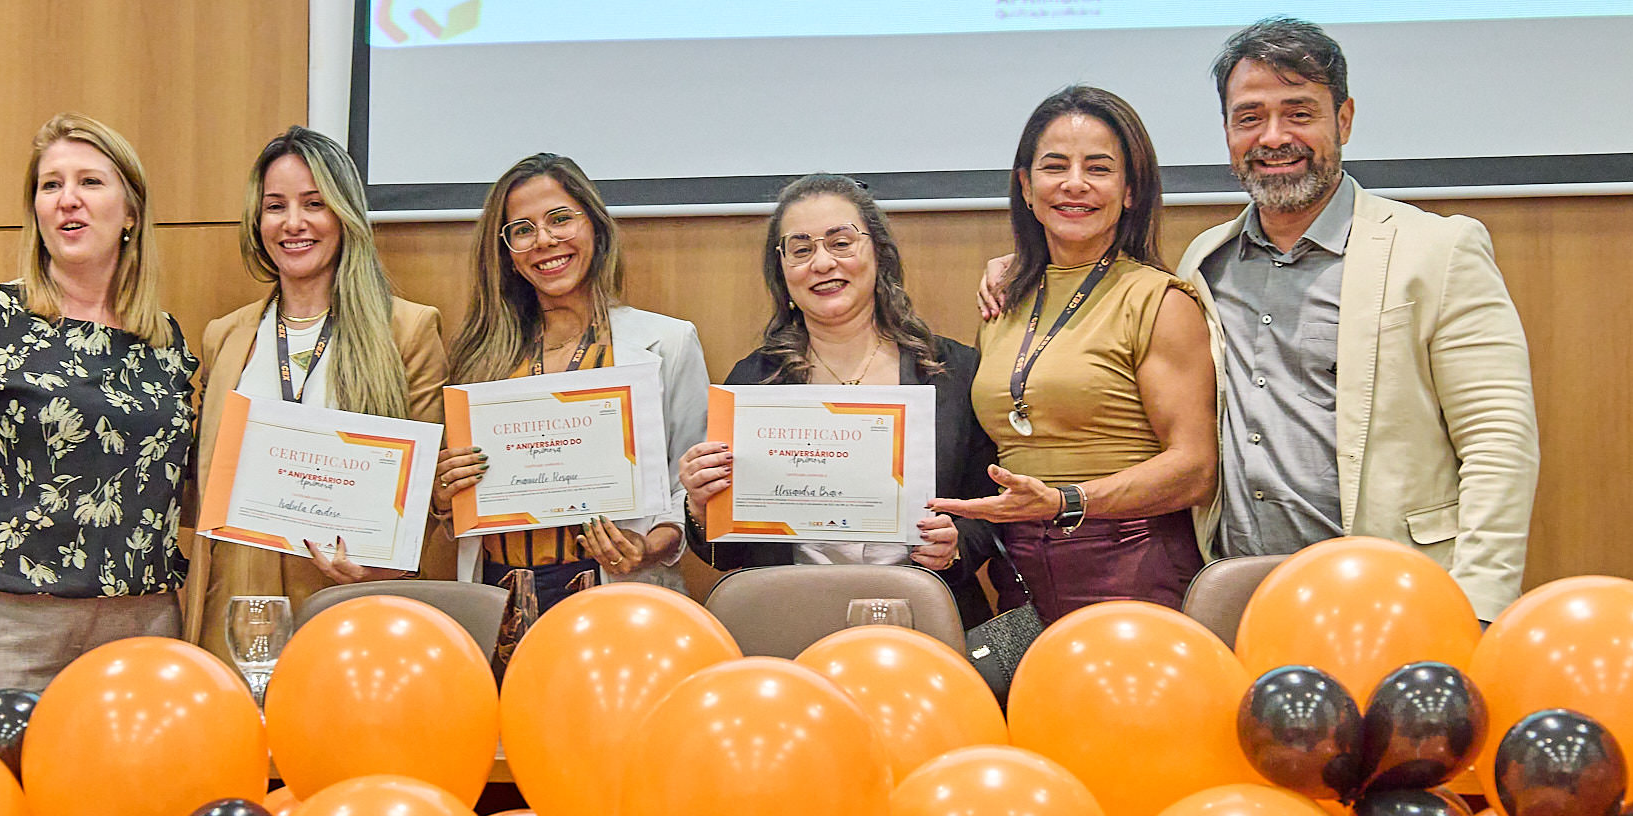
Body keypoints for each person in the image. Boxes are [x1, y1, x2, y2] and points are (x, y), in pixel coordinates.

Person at [1176, 17, 1537, 622]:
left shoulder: (1437, 250)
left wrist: (1478, 606)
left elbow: (1498, 439)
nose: (1274, 137)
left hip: (1402, 596)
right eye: (1250, 117)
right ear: (1228, 132)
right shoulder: (1205, 262)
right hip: (1246, 599)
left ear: (1343, 120)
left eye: (1299, 113)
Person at [0, 113, 198, 725]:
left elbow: (177, 485)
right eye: (50, 185)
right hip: (1, 629)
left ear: (131, 212)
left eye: (90, 182)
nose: (67, 199)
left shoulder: (164, 342)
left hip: (141, 631)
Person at [940, 86, 1219, 626]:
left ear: (1130, 191)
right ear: (1026, 186)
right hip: (1019, 567)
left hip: (1131, 563)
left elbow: (1195, 469)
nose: (1074, 184)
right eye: (1054, 166)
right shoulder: (1003, 297)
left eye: (1098, 168)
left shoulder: (1159, 300)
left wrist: (1066, 501)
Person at [675, 174, 997, 626]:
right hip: (791, 621)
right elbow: (730, 554)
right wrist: (700, 504)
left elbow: (993, 509)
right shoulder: (754, 382)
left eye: (841, 243)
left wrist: (956, 544)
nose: (822, 263)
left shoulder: (953, 372)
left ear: (879, 252)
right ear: (782, 269)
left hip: (922, 619)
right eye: (801, 249)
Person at [181, 126, 447, 660]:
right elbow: (200, 483)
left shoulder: (407, 331)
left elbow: (430, 495)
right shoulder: (224, 337)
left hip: (345, 609)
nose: (293, 223)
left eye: (314, 203)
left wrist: (382, 562)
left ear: (344, 214)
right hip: (233, 608)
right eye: (275, 206)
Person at [432, 153, 707, 620]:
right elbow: (465, 510)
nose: (544, 240)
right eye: (522, 230)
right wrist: (444, 498)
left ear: (595, 227)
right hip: (496, 600)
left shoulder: (668, 343)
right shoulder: (478, 358)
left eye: (560, 219)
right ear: (507, 254)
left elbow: (691, 488)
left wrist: (650, 546)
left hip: (616, 598)